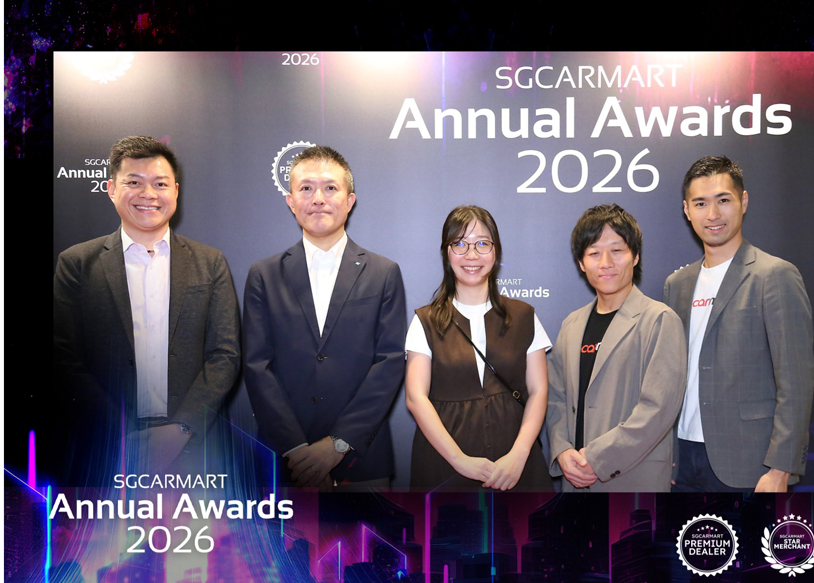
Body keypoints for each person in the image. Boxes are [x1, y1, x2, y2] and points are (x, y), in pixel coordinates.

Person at [52, 135, 241, 485]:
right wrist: (123, 436)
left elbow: (224, 355)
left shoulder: (209, 262)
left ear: (176, 191)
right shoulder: (77, 263)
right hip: (107, 449)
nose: (148, 194)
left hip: (195, 449)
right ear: (111, 189)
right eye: (134, 183)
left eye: (160, 184)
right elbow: (65, 358)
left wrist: (181, 428)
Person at [243, 145, 406, 491]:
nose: (318, 198)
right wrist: (296, 450)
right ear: (290, 201)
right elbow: (257, 366)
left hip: (362, 459)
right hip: (286, 462)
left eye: (330, 188)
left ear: (349, 200)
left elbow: (389, 362)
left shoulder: (383, 273)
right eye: (306, 188)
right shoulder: (263, 275)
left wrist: (337, 444)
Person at [664, 155, 814, 492]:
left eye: (723, 200)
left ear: (743, 201)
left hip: (750, 463)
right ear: (687, 210)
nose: (712, 214)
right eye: (700, 203)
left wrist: (781, 469)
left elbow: (796, 380)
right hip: (681, 460)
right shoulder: (677, 284)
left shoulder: (774, 275)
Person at [405, 205, 552, 491]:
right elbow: (415, 398)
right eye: (460, 244)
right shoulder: (425, 320)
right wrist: (459, 460)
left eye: (482, 244)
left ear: (496, 252)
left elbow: (538, 390)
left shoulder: (524, 315)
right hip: (444, 465)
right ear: (447, 252)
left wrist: (519, 455)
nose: (471, 255)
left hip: (515, 464)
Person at [546, 204, 685, 492]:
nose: (606, 262)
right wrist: (562, 450)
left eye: (617, 250)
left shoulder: (659, 320)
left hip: (632, 480)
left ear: (636, 256)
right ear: (581, 263)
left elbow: (657, 410)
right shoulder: (572, 325)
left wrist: (597, 459)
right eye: (594, 253)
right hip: (575, 480)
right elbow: (555, 397)